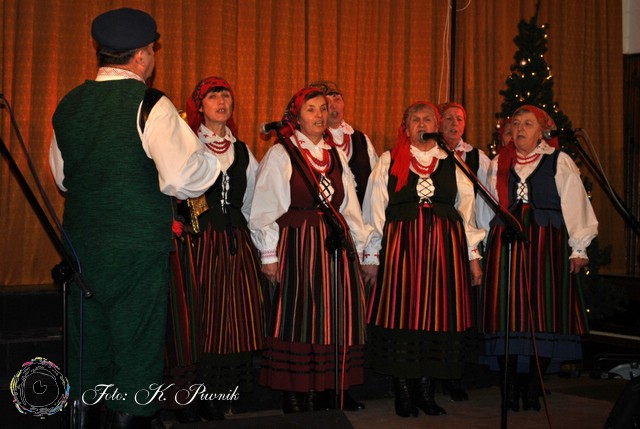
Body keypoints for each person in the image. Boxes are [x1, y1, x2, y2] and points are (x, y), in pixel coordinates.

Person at [48, 8, 220, 428]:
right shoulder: (150, 103)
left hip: (82, 248)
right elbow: (180, 177)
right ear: (142, 55)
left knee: (88, 345)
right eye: (151, 51)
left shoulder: (69, 104)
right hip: (136, 248)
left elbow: (62, 177)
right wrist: (209, 162)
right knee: (137, 348)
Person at [249, 86, 372, 414]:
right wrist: (269, 254)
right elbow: (265, 206)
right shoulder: (282, 153)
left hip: (335, 245)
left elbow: (350, 207)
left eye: (323, 109)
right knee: (299, 316)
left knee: (333, 318)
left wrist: (360, 248)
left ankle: (325, 389)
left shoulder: (336, 155)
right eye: (311, 109)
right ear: (296, 117)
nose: (319, 115)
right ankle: (295, 393)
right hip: (299, 243)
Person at [361, 101, 485, 418]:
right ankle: (403, 392)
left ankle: (426, 393)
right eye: (414, 119)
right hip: (402, 248)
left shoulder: (452, 162)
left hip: (444, 250)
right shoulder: (389, 160)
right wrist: (372, 255)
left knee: (437, 316)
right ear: (405, 127)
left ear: (437, 125)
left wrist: (473, 256)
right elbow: (374, 210)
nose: (421, 123)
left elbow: (467, 211)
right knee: (403, 315)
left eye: (427, 118)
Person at [480, 105, 598, 412]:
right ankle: (509, 388)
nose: (519, 128)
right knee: (507, 314)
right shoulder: (499, 162)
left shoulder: (559, 161)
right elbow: (484, 208)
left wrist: (579, 247)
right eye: (516, 123)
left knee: (543, 313)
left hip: (546, 244)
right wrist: (480, 249)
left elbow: (575, 204)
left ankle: (533, 387)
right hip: (507, 245)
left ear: (542, 131)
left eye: (528, 124)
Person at [185, 76, 264, 419]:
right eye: (213, 96)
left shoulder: (242, 150)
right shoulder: (187, 143)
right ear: (199, 106)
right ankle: (199, 396)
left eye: (226, 96)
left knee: (236, 320)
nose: (221, 101)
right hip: (200, 241)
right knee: (205, 318)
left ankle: (226, 393)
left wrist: (261, 248)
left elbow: (252, 201)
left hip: (235, 242)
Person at [437, 102, 493, 401]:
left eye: (459, 119)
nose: (454, 123)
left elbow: (486, 198)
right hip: (438, 238)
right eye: (448, 118)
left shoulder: (475, 157)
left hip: (468, 239)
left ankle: (455, 375)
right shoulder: (429, 154)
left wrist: (479, 247)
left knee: (460, 309)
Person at [309, 80, 378, 206]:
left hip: (362, 213)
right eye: (327, 103)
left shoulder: (361, 140)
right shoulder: (314, 141)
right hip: (328, 213)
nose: (333, 106)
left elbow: (376, 184)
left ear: (343, 103)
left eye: (337, 100)